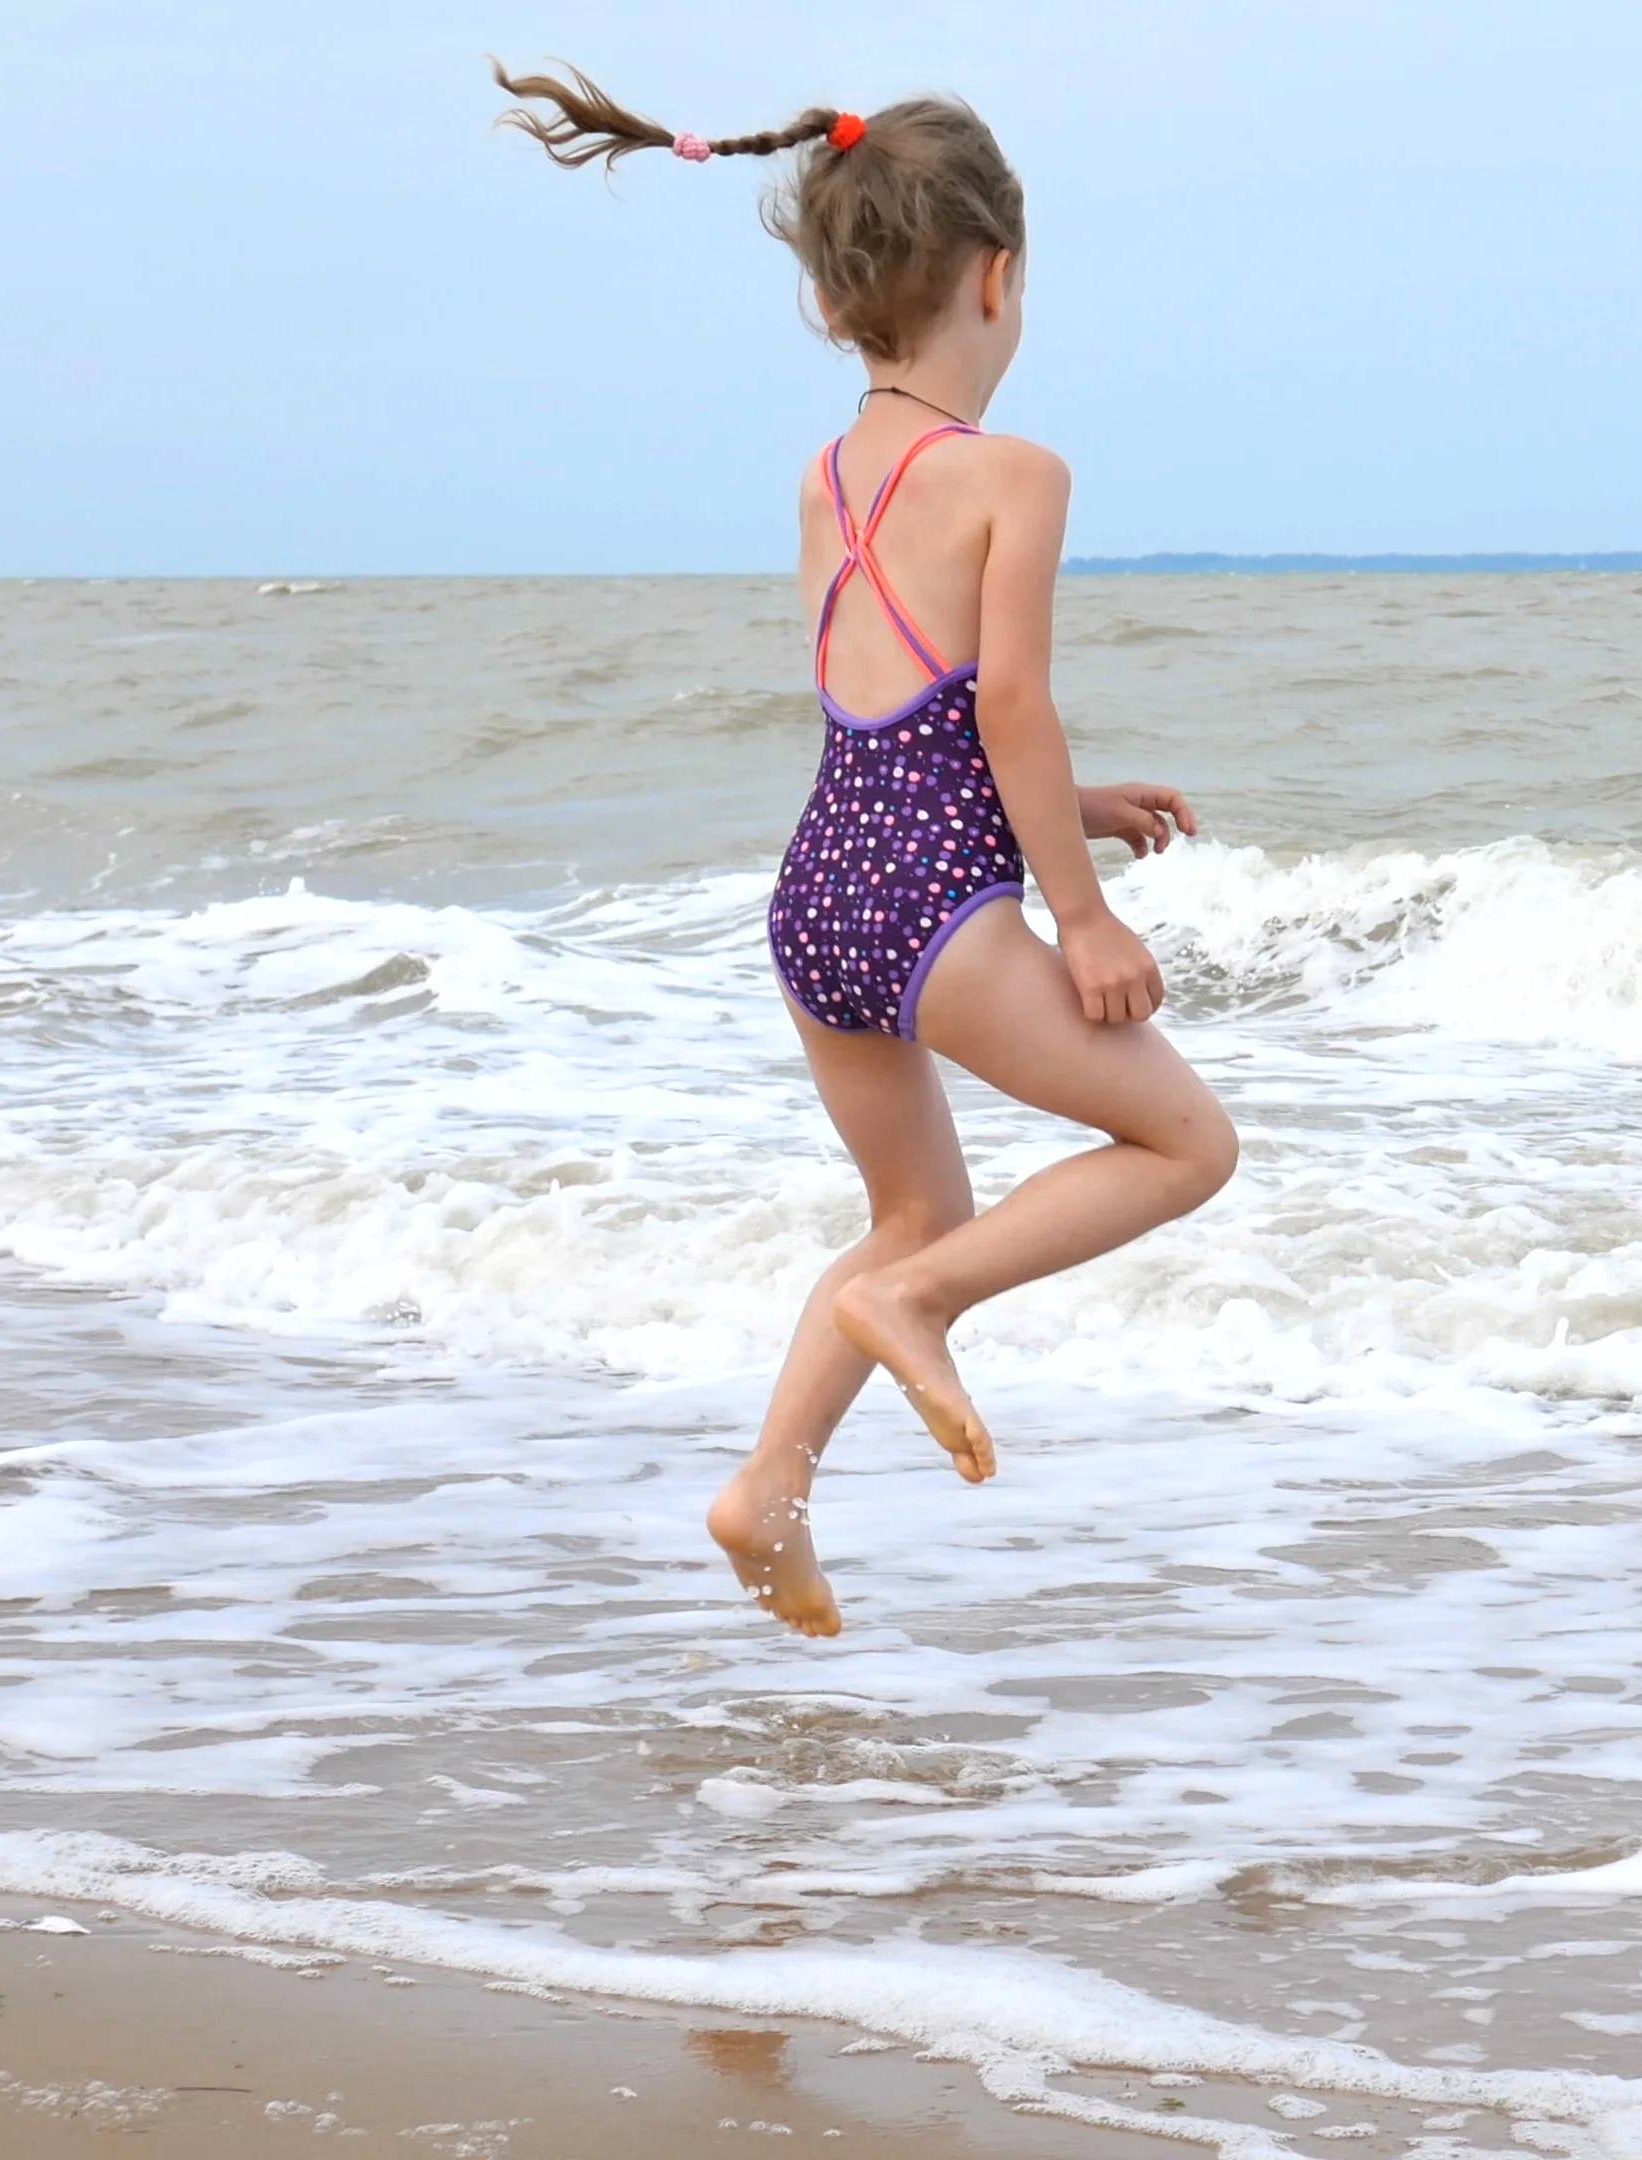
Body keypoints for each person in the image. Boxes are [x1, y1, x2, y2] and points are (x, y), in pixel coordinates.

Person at [495, 65, 1239, 1638]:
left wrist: (1072, 797)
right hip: (936, 903)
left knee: (911, 1205)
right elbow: (1014, 697)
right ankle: (922, 1307)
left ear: (836, 308)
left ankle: (767, 1486)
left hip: (820, 889)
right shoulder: (1017, 473)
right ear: (1001, 274)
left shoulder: (829, 475)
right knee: (1187, 1147)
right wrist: (1082, 913)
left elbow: (913, 709)